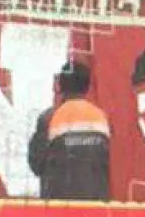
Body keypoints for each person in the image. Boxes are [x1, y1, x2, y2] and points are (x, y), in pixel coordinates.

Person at [27, 59, 112, 200]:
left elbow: (36, 164)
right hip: (95, 206)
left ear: (60, 85)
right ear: (87, 86)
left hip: (59, 207)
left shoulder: (49, 118)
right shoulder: (102, 118)